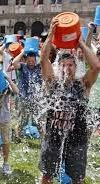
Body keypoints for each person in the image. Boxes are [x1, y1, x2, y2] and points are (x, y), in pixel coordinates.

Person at [40, 17, 100, 184]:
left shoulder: (83, 85)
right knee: (46, 177)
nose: (67, 68)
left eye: (71, 65)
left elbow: (95, 66)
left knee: (77, 180)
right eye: (64, 65)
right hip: (53, 138)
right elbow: (43, 60)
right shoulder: (52, 84)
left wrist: (80, 42)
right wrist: (51, 34)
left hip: (77, 139)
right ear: (58, 67)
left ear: (76, 66)